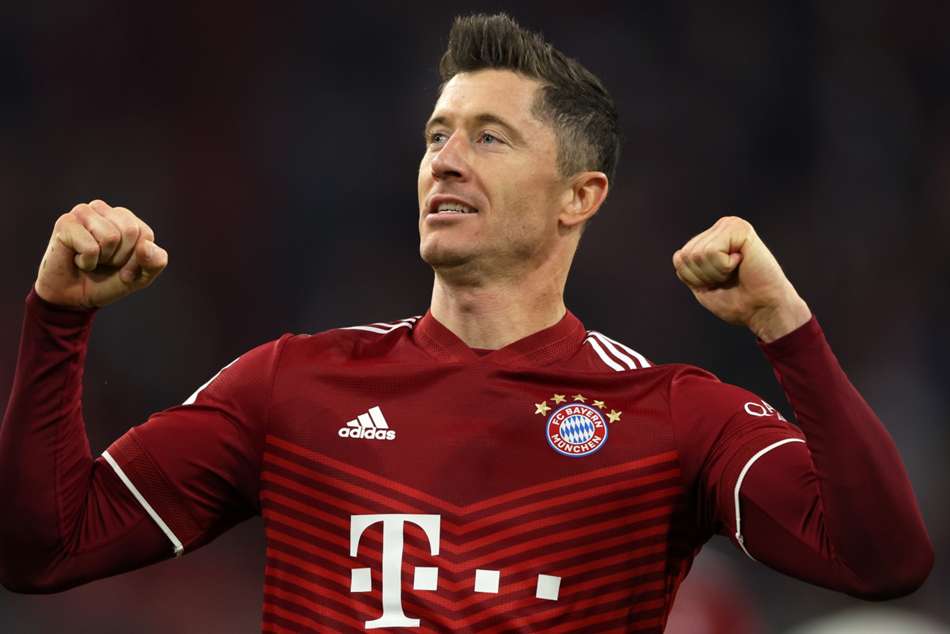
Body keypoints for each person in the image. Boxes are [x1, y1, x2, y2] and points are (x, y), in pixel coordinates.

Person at [0, 13, 933, 633]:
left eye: (489, 136)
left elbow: (882, 559)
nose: (445, 159)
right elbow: (45, 549)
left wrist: (785, 326)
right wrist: (58, 322)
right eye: (436, 135)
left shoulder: (671, 417)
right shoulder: (293, 386)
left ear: (580, 196)